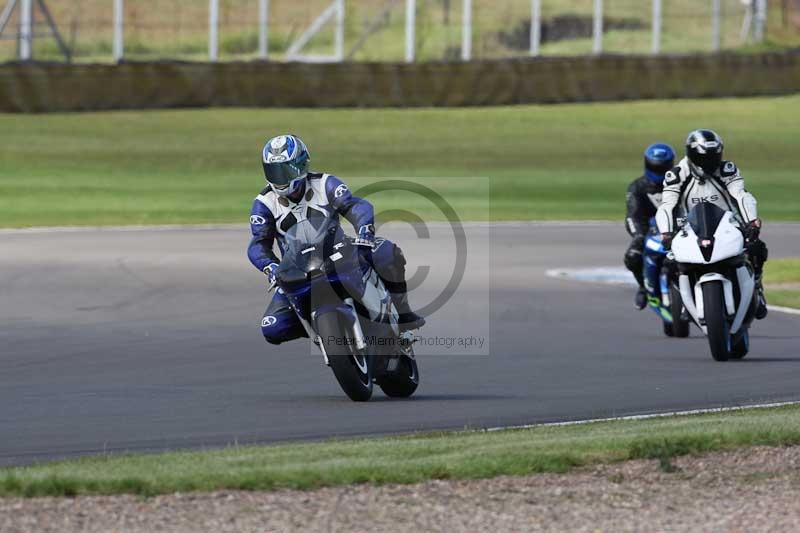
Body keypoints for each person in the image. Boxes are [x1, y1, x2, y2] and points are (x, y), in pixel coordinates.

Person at [247, 134, 426, 345]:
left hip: (338, 251)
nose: (280, 178)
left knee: (386, 252)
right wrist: (271, 267)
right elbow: (259, 243)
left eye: (285, 170)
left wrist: (364, 233)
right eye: (273, 171)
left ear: (301, 165)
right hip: (295, 270)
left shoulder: (324, 184)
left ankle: (404, 317)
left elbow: (355, 206)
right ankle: (322, 328)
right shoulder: (264, 203)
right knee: (272, 328)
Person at [655, 129, 768, 319]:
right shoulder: (676, 175)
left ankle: (757, 286)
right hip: (690, 227)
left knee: (757, 248)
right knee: (670, 262)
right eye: (704, 158)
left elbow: (741, 195)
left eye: (714, 157)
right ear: (692, 155)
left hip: (728, 223)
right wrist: (666, 233)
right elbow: (667, 206)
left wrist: (751, 221)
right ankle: (684, 300)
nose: (709, 163)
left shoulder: (726, 169)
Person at [624, 143, 676, 310]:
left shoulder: (681, 184)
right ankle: (643, 287)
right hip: (650, 231)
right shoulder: (637, 187)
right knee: (632, 257)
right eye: (655, 167)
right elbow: (633, 215)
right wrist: (639, 235)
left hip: (678, 229)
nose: (659, 170)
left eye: (663, 167)